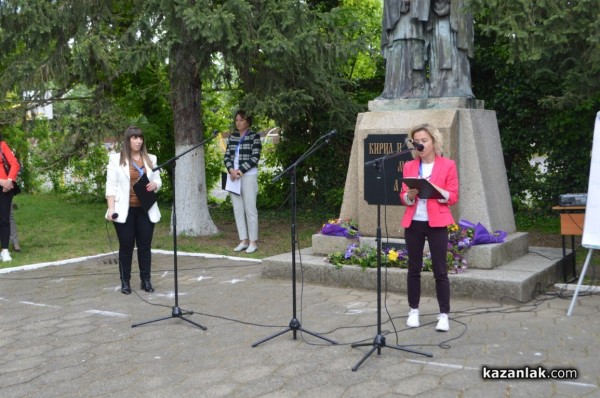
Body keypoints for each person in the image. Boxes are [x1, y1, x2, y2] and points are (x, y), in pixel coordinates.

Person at [400, 124, 459, 332]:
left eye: (424, 140)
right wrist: (409, 196)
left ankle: (443, 314)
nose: (420, 144)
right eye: (417, 141)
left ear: (434, 142)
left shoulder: (448, 165)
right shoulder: (409, 166)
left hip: (437, 223)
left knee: (440, 270)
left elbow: (453, 196)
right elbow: (403, 194)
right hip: (414, 222)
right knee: (413, 268)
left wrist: (436, 190)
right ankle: (413, 310)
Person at [105, 126, 162, 295]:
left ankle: (146, 280)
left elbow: (158, 180)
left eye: (140, 138)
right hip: (124, 210)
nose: (138, 141)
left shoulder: (151, 158)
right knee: (126, 246)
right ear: (128, 140)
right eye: (134, 138)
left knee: (145, 247)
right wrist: (111, 209)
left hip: (145, 209)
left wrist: (156, 185)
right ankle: (125, 281)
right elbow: (111, 186)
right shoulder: (116, 159)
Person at [223, 110, 262, 254]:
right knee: (238, 210)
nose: (238, 122)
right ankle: (243, 240)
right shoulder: (232, 137)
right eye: (236, 120)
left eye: (241, 120)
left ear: (248, 121)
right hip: (233, 177)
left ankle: (253, 242)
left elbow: (255, 157)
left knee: (250, 209)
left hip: (248, 176)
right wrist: (231, 170)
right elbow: (227, 156)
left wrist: (240, 171)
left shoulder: (254, 136)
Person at [378, 0, 429, 99]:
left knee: (417, 58)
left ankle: (417, 89)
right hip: (397, 28)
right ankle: (393, 91)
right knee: (397, 58)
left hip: (416, 25)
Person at [0, 135, 20, 262]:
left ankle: (5, 250)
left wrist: (9, 181)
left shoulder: (2, 145)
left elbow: (14, 164)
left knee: (4, 219)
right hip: (1, 184)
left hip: (5, 189)